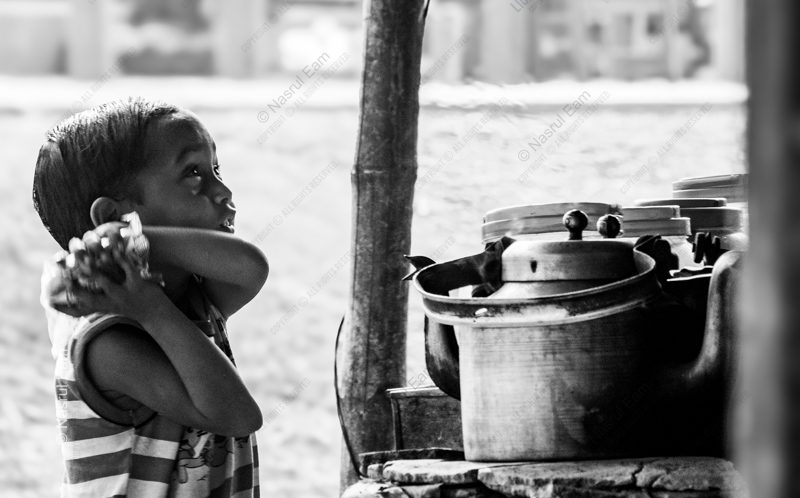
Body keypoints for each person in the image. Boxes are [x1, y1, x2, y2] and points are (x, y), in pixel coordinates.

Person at [33, 97, 269, 497]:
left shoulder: (192, 297)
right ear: (114, 215)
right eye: (193, 173)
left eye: (215, 169)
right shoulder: (108, 342)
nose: (223, 191)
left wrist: (132, 238)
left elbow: (251, 267)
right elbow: (237, 415)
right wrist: (151, 308)